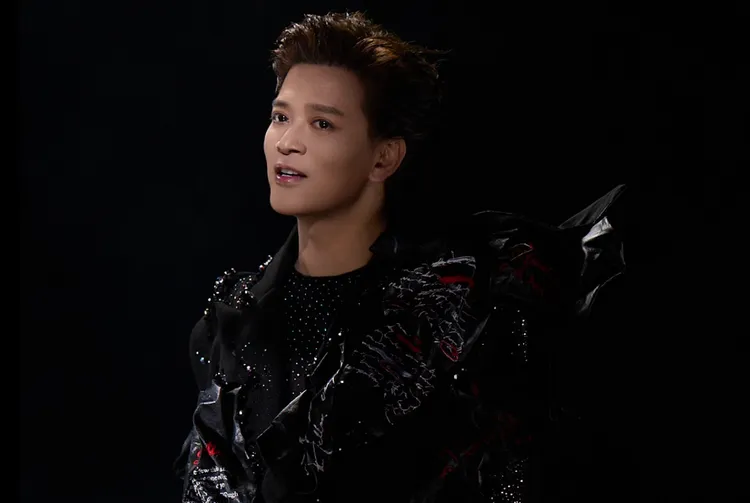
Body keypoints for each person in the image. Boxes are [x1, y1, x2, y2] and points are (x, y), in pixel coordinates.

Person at [174, 11, 626, 503]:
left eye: (322, 123)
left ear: (384, 157)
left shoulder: (455, 306)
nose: (287, 143)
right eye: (281, 117)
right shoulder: (232, 320)